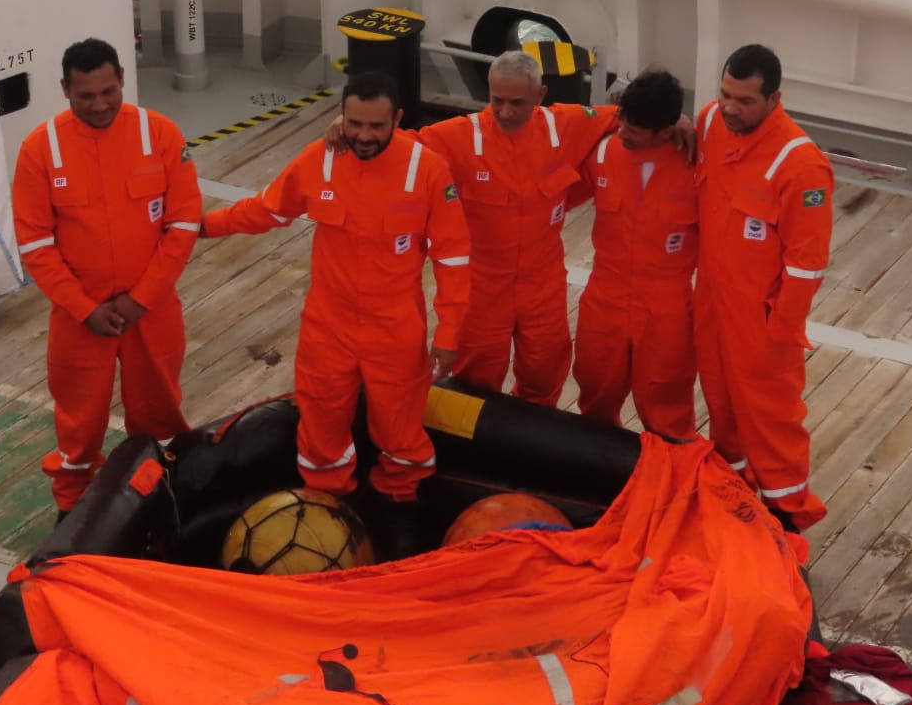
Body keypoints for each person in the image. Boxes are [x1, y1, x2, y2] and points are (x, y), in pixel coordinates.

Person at [202, 71, 470, 546]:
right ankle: (328, 506)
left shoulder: (426, 171)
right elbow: (267, 210)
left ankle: (398, 502)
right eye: (355, 124)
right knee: (321, 429)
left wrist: (449, 333)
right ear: (340, 117)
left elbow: (452, 256)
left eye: (376, 127)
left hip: (395, 331)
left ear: (398, 121)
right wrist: (202, 226)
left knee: (401, 432)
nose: (364, 136)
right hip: (328, 328)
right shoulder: (318, 160)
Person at [327, 50, 618, 407]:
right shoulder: (459, 136)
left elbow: (625, 117)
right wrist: (351, 129)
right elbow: (402, 147)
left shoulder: (567, 125)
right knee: (475, 383)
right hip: (482, 291)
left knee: (545, 374)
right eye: (497, 100)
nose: (505, 112)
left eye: (517, 102)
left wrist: (676, 123)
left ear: (540, 96)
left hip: (543, 288)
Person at [12, 38, 201, 518]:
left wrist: (142, 299)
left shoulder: (161, 135)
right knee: (79, 425)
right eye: (85, 96)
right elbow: (34, 242)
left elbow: (182, 224)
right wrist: (84, 309)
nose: (99, 105)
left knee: (160, 414)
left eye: (108, 91)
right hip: (82, 319)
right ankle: (71, 513)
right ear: (64, 90)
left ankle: (164, 494)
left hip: (151, 312)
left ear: (121, 78)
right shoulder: (40, 150)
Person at [695, 43, 833, 531]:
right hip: (711, 301)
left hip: (762, 318)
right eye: (725, 94)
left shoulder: (801, 166)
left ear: (774, 98)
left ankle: (787, 519)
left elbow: (807, 263)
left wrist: (780, 328)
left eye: (745, 101)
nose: (731, 108)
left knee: (771, 420)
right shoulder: (712, 122)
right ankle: (733, 502)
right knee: (720, 404)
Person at [568, 70, 698, 441]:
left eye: (634, 130)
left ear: (666, 130)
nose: (623, 132)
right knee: (595, 390)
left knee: (666, 406)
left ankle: (671, 483)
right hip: (604, 296)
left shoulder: (698, 165)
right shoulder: (604, 150)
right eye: (622, 122)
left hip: (666, 306)